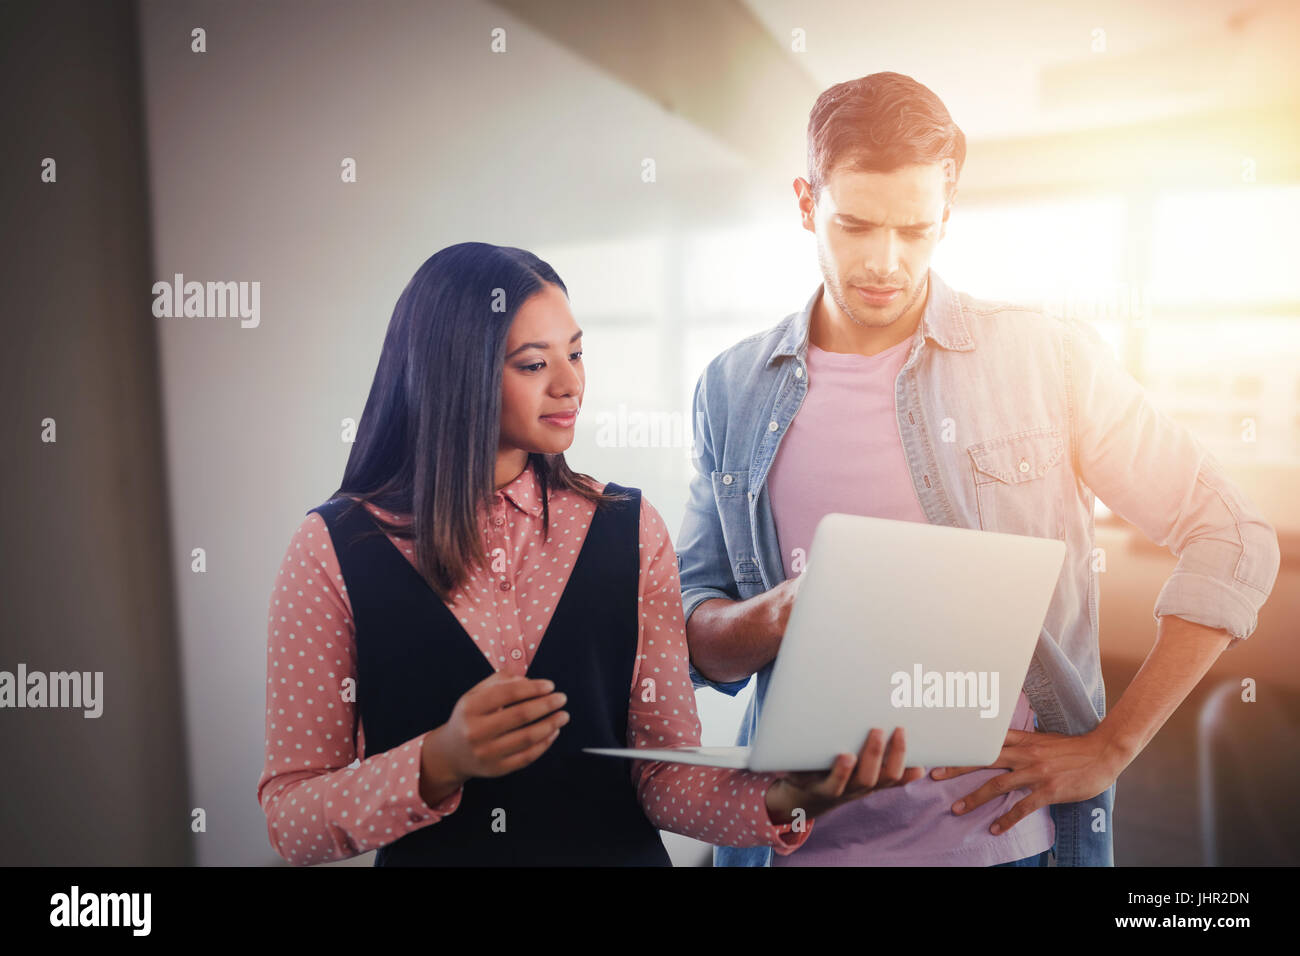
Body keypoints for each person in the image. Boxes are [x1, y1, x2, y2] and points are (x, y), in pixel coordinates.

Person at [676, 72, 1281, 867]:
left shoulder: (1043, 357)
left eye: (916, 230)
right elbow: (694, 630)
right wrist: (782, 613)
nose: (885, 263)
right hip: (788, 845)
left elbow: (1233, 536)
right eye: (855, 225)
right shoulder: (730, 389)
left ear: (947, 216)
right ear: (804, 203)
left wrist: (1112, 746)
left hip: (1002, 848)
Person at [256, 241, 924, 866]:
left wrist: (799, 798)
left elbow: (662, 776)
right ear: (455, 372)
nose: (569, 384)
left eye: (575, 354)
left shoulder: (628, 529)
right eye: (533, 364)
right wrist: (438, 761)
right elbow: (291, 818)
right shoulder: (333, 551)